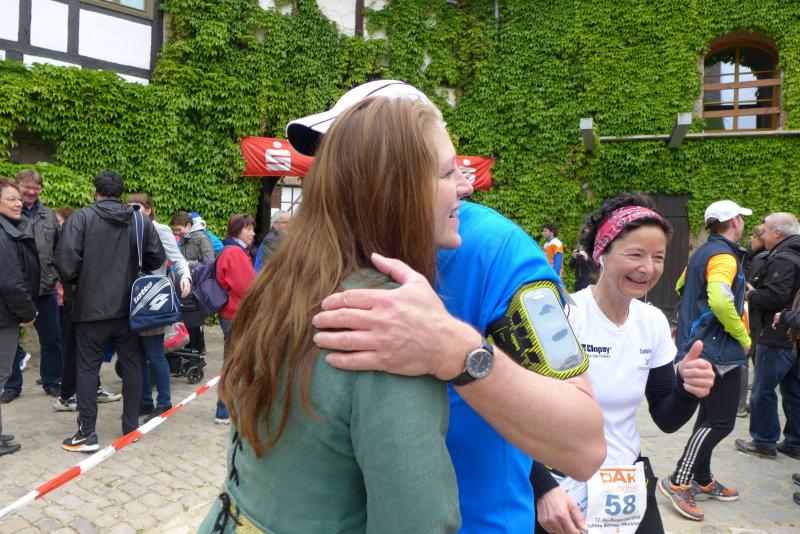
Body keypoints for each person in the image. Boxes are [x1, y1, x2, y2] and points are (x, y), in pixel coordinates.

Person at [296, 80, 605, 533]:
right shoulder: (322, 251)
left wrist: (457, 352)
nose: (464, 184)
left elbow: (584, 445)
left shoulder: (498, 252)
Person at [199, 97, 464, 533]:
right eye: (448, 173)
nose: (464, 186)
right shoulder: (388, 325)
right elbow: (419, 523)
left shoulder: (290, 278)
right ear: (398, 190)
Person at [531, 193, 714, 534]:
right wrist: (542, 489)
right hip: (560, 486)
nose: (648, 268)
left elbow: (666, 417)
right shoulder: (563, 316)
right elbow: (516, 416)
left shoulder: (653, 322)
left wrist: (688, 389)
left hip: (623, 482)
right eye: (635, 254)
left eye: (658, 257)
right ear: (602, 253)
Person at [55, 170, 165, 452]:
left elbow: (65, 264)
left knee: (88, 368)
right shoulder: (139, 221)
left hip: (89, 309)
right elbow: (157, 258)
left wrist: (80, 283)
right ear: (120, 193)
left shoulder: (80, 218)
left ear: (95, 191)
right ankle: (130, 428)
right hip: (130, 309)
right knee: (132, 366)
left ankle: (87, 433)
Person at [659, 200, 752, 522]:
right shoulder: (724, 256)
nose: (743, 223)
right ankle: (679, 480)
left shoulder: (703, 252)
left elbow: (681, 286)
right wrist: (743, 336)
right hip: (718, 350)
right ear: (734, 221)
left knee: (709, 417)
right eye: (741, 218)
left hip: (699, 344)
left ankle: (702, 477)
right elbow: (720, 301)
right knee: (721, 421)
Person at [735, 212, 800, 459]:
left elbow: (775, 297)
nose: (762, 232)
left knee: (763, 390)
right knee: (793, 390)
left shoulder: (783, 259)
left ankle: (764, 441)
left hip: (776, 334)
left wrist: (751, 294)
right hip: (793, 335)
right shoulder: (794, 254)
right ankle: (794, 442)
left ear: (777, 233)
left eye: (766, 228)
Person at [126, 193, 192, 421]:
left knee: (154, 353)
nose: (132, 211)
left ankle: (164, 402)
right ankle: (145, 400)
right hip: (133, 300)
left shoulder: (159, 229)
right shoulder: (127, 229)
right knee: (138, 354)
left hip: (153, 299)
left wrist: (186, 278)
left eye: (137, 207)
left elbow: (178, 258)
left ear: (149, 209)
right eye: (128, 207)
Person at [1, 170, 63, 403]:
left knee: (52, 339)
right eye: (26, 187)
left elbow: (59, 249)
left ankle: (52, 381)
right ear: (18, 186)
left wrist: (58, 280)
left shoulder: (49, 215)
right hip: (18, 291)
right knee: (11, 340)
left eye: (36, 188)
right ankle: (12, 385)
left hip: (46, 288)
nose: (30, 192)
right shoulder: (9, 217)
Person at [0, 177, 39, 456]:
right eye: (11, 199)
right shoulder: (2, 235)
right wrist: (27, 313)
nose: (18, 203)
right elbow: (11, 281)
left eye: (18, 198)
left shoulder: (8, 229)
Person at [212, 213, 257, 425]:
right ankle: (224, 410)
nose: (252, 233)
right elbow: (245, 287)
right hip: (236, 313)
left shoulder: (230, 249)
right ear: (237, 230)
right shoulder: (235, 253)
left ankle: (227, 408)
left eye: (252, 229)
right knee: (234, 361)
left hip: (231, 312)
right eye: (248, 229)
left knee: (233, 359)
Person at [171, 210, 215, 355]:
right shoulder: (184, 238)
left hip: (198, 286)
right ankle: (189, 350)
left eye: (179, 229)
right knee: (188, 318)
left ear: (189, 226)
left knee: (196, 320)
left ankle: (200, 349)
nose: (177, 233)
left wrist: (187, 264)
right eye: (175, 230)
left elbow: (210, 262)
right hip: (186, 284)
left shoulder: (202, 237)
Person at [737, 223, 768, 418]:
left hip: (752, 314)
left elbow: (751, 286)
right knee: (758, 361)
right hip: (762, 318)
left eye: (754, 237)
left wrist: (748, 290)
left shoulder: (759, 258)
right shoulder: (761, 256)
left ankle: (739, 405)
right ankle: (751, 403)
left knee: (744, 357)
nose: (750, 240)